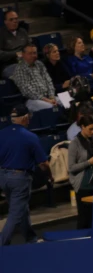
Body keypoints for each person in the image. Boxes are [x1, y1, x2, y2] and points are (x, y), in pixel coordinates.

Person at [0, 105, 51, 246]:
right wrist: (49, 174)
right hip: (19, 178)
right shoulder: (30, 137)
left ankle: (31, 239)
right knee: (15, 214)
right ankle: (2, 244)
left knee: (22, 208)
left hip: (3, 177)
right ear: (24, 117)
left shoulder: (1, 133)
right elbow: (43, 163)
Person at [67, 113, 93, 229]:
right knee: (84, 218)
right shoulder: (75, 144)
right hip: (83, 185)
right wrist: (89, 162)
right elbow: (71, 167)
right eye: (90, 129)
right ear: (82, 127)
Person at [11, 43, 59, 113]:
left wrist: (51, 96)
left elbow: (49, 81)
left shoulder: (39, 64)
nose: (33, 56)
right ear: (23, 54)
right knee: (51, 107)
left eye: (35, 53)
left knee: (68, 102)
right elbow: (27, 91)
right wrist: (46, 100)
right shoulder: (20, 69)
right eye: (30, 53)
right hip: (32, 100)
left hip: (48, 97)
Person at [0, 9, 30, 79]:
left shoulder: (22, 32)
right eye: (11, 20)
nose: (15, 21)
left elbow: (29, 46)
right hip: (9, 64)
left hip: (25, 62)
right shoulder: (1, 34)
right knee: (23, 74)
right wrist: (16, 53)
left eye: (16, 19)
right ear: (5, 22)